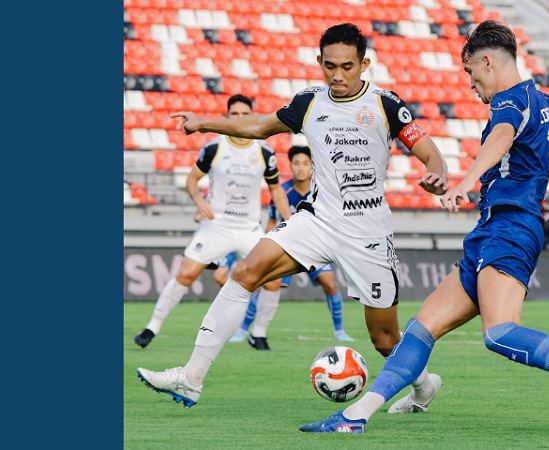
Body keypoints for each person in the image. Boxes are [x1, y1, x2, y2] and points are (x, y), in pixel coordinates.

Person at [299, 20, 549, 438]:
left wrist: (464, 181)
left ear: (487, 62)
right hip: (491, 229)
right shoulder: (545, 104)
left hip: (512, 228)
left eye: (470, 73)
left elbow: (500, 137)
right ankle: (357, 416)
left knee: (499, 333)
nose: (471, 83)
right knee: (421, 328)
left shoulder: (510, 103)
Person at [136, 23, 448, 411]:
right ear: (318, 62)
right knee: (246, 272)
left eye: (348, 66)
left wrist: (437, 174)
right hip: (317, 221)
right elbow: (259, 126)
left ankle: (423, 385)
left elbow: (430, 152)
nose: (338, 75)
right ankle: (191, 377)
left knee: (384, 339)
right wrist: (204, 122)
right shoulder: (309, 102)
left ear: (364, 64)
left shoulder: (386, 105)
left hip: (367, 232)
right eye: (329, 65)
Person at [133, 94, 292, 349]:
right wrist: (199, 201)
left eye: (244, 114)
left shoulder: (264, 151)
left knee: (272, 279)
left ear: (252, 116)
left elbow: (276, 191)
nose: (239, 119)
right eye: (234, 114)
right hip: (217, 226)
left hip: (249, 228)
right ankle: (152, 326)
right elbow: (191, 180)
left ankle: (259, 333)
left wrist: (289, 220)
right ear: (227, 117)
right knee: (186, 273)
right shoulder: (215, 147)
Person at [228, 145, 355, 348]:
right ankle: (245, 330)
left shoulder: (322, 191)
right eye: (296, 163)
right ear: (291, 166)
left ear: (312, 166)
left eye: (305, 163)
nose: (301, 168)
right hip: (288, 248)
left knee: (330, 284)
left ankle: (339, 331)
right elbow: (271, 222)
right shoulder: (282, 193)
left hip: (316, 247)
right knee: (268, 285)